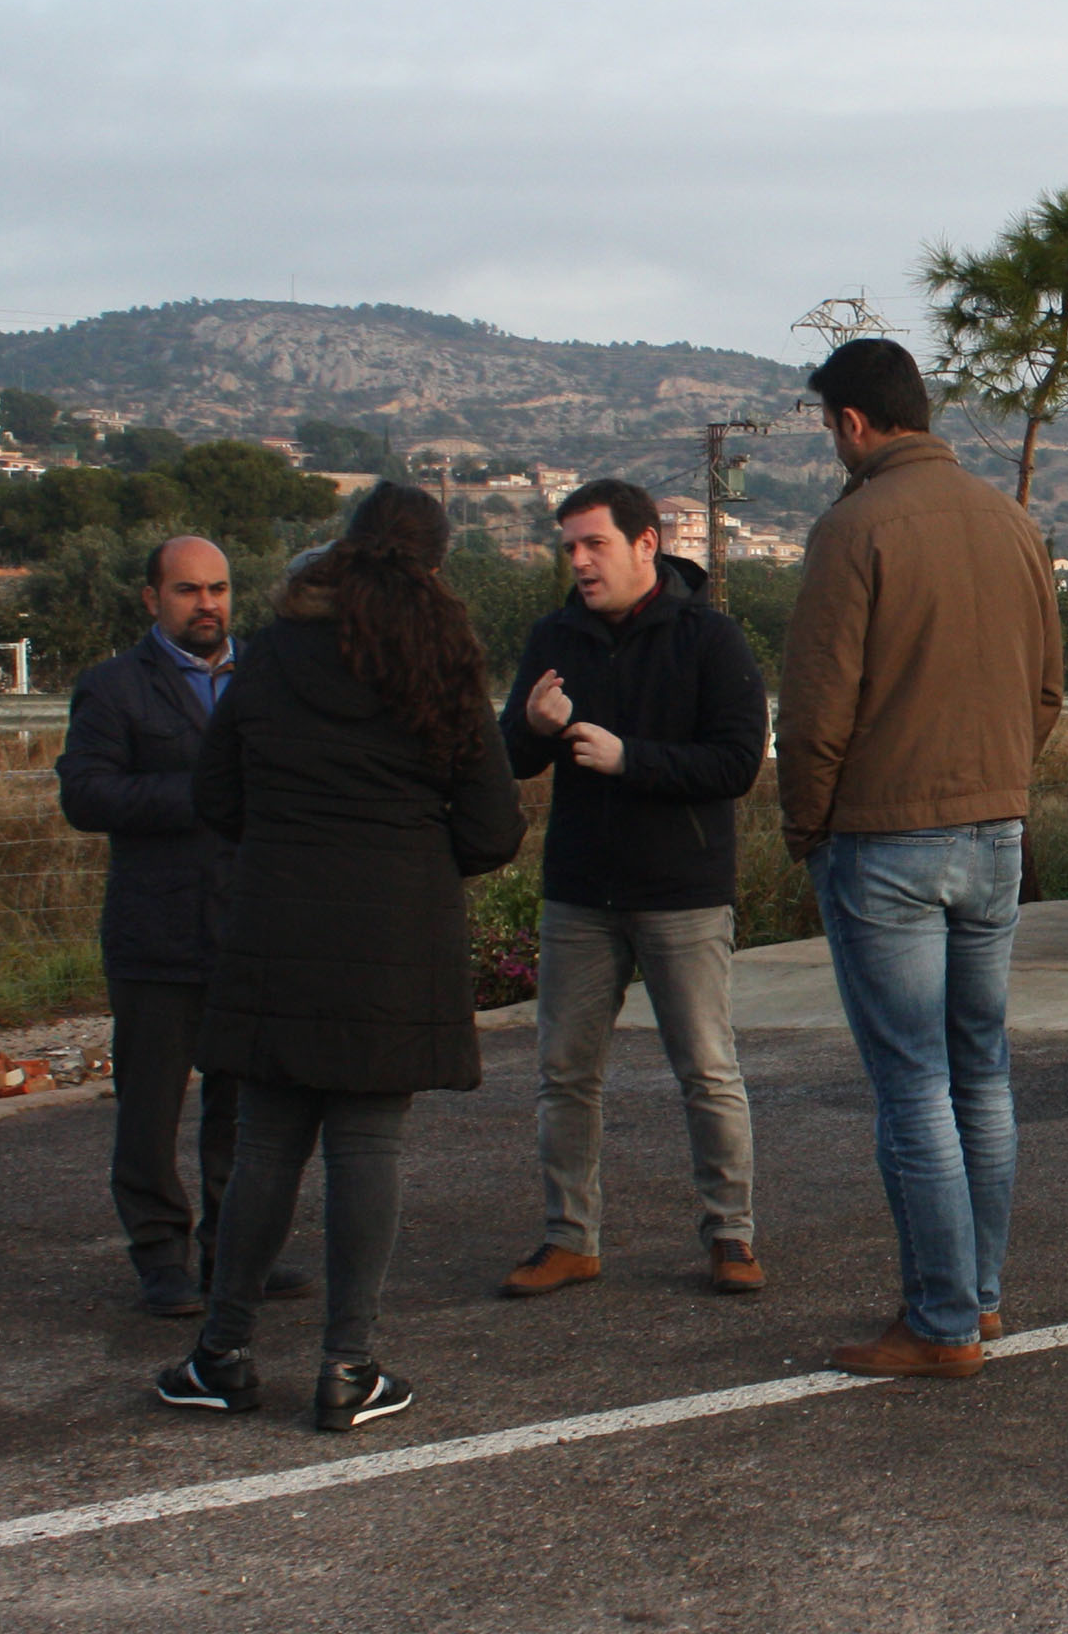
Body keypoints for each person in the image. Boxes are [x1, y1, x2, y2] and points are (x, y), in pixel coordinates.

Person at [153, 484, 524, 1432]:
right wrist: (409, 853)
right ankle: (348, 1368)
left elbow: (216, 797)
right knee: (369, 1145)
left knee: (269, 1139)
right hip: (395, 936)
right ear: (436, 564)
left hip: (277, 927)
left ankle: (222, 1355)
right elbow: (491, 827)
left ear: (346, 550)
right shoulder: (443, 665)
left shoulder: (270, 657)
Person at [776, 339, 1060, 1379]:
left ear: (852, 422)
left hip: (884, 840)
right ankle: (976, 1300)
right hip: (995, 832)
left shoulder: (853, 527)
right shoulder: (1011, 521)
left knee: (913, 1085)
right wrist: (997, 785)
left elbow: (814, 712)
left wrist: (807, 826)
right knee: (980, 1070)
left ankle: (938, 1319)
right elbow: (1045, 691)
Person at [495, 478, 770, 1300]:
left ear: (647, 544)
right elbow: (509, 756)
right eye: (569, 546)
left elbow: (737, 763)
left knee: (707, 1070)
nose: (579, 561)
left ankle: (731, 1235)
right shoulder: (555, 635)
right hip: (580, 892)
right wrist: (533, 730)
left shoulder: (710, 639)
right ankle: (570, 1238)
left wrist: (633, 760)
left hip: (682, 892)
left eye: (594, 544)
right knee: (565, 1073)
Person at [57, 537, 309, 1318]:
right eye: (188, 590)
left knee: (244, 1109)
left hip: (251, 927)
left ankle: (235, 1255)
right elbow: (88, 796)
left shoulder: (271, 674)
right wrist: (207, 793)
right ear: (151, 599)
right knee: (150, 1111)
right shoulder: (111, 689)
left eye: (220, 589)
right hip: (157, 933)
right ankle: (160, 1256)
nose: (208, 604)